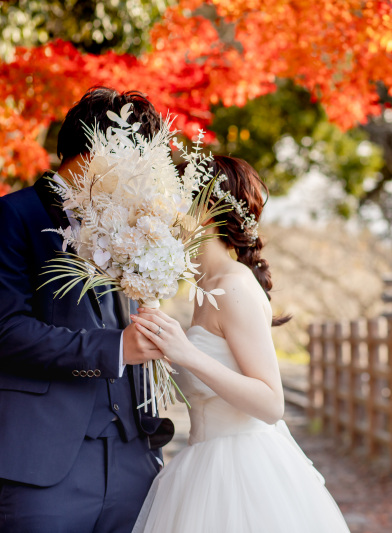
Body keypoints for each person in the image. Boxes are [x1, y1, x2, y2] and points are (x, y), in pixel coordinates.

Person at [0, 86, 174, 532]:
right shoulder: (8, 217)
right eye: (135, 161)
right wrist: (117, 347)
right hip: (39, 462)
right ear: (97, 150)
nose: (141, 177)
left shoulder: (134, 224)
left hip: (132, 460)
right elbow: (6, 333)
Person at [130, 156, 350, 532]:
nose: (163, 211)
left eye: (175, 200)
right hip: (198, 466)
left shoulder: (234, 286)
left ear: (207, 211)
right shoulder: (201, 292)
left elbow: (271, 402)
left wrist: (187, 354)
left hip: (241, 474)